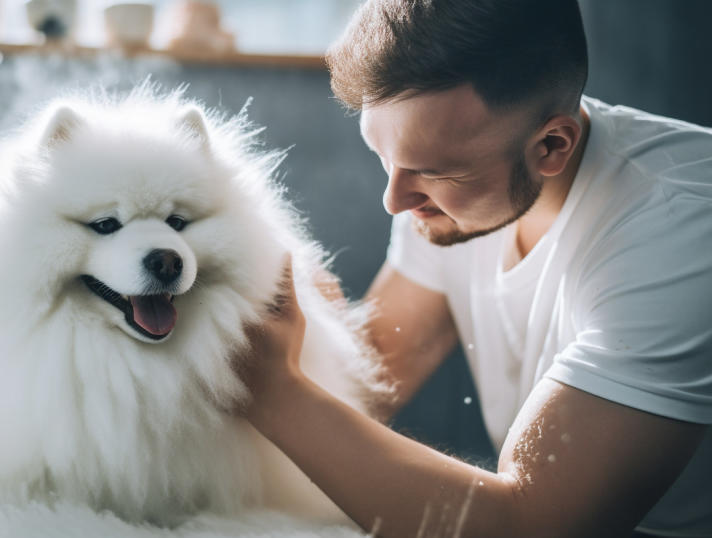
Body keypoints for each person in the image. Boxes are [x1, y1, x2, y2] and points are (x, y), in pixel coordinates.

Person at [237, 1, 712, 536]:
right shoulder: (446, 188)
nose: (393, 199)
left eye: (431, 171)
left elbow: (530, 524)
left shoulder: (684, 226)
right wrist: (307, 332)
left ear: (551, 146)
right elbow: (372, 381)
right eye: (383, 155)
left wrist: (276, 390)